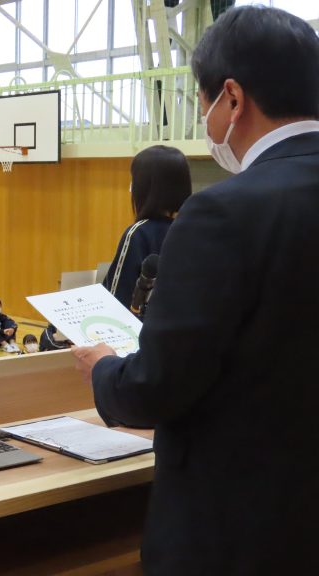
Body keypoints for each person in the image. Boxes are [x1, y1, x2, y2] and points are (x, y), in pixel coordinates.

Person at [72, 7, 319, 575]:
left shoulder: (222, 213)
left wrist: (105, 369)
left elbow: (156, 387)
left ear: (231, 98)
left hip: (237, 528)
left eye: (202, 103)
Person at [102, 145, 191, 310]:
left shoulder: (138, 233)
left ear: (143, 186)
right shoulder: (193, 230)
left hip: (143, 324)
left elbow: (116, 298)